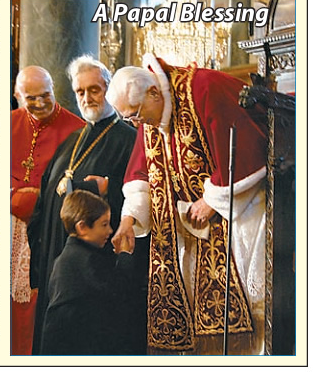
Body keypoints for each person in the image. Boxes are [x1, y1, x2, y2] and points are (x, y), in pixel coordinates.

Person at [106, 54, 267, 355]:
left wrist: (212, 199)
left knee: (249, 303)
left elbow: (247, 149)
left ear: (154, 92)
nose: (136, 124)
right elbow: (142, 174)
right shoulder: (148, 110)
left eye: (135, 115)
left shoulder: (204, 87)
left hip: (237, 215)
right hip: (190, 231)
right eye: (128, 118)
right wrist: (128, 219)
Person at [28, 55, 137, 354]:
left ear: (108, 88)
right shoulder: (72, 140)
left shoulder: (130, 139)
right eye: (80, 92)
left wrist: (107, 187)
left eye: (94, 89)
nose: (87, 97)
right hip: (58, 260)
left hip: (95, 275)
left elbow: (140, 193)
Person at [11, 65, 85, 355]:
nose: (40, 103)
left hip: (46, 233)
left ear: (54, 90)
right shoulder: (7, 123)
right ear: (18, 97)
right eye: (31, 98)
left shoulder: (76, 129)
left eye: (46, 95)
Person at [40, 190, 134, 355]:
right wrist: (125, 256)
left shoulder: (68, 257)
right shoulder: (85, 261)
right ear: (82, 227)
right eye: (104, 224)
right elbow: (119, 290)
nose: (110, 230)